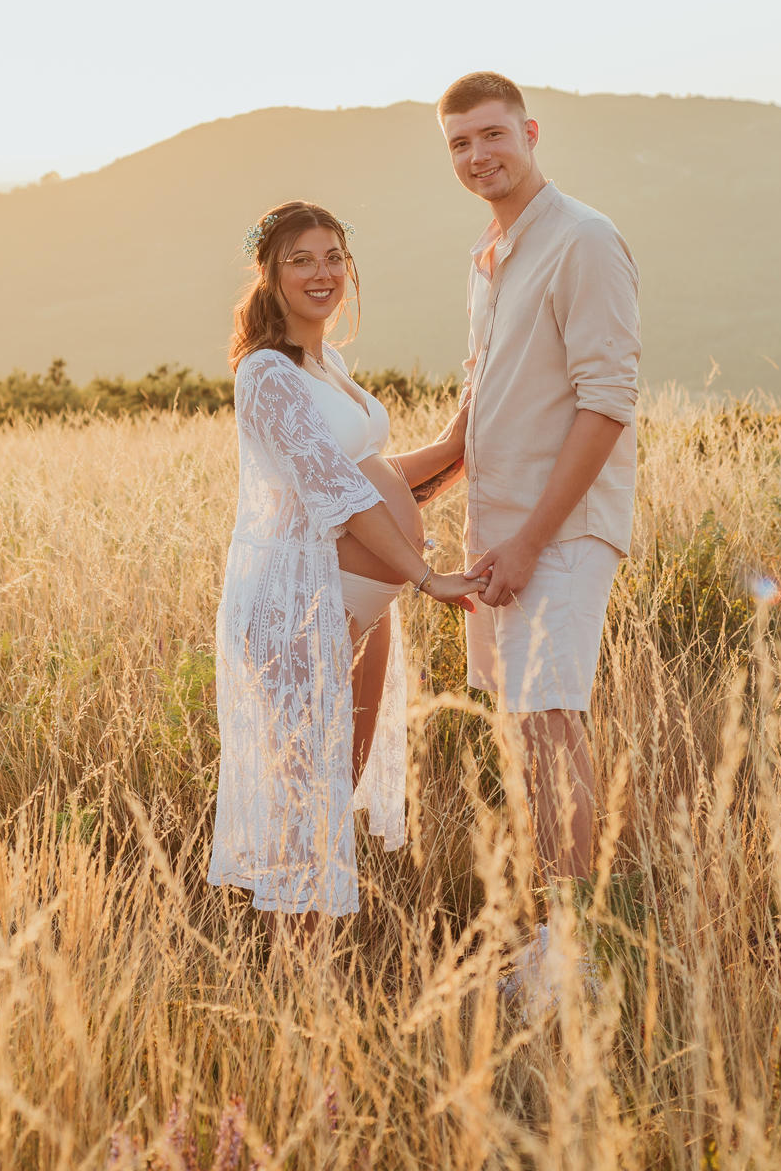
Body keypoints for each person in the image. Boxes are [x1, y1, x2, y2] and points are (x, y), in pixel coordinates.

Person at [207, 200, 482, 925]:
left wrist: (458, 440)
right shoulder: (266, 374)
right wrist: (426, 577)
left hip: (352, 600)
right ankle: (302, 995)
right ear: (269, 275)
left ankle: (314, 980)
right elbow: (339, 492)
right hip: (294, 601)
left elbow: (372, 466)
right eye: (301, 259)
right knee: (302, 800)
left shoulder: (325, 363)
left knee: (331, 790)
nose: (322, 272)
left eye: (333, 256)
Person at [438, 72, 641, 907]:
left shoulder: (582, 240)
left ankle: (572, 950)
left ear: (529, 132)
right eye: (459, 143)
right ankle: (562, 929)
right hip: (503, 535)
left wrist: (528, 543)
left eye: (491, 135)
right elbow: (474, 414)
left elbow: (607, 404)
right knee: (528, 736)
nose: (477, 154)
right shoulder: (491, 255)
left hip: (552, 536)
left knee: (552, 733)